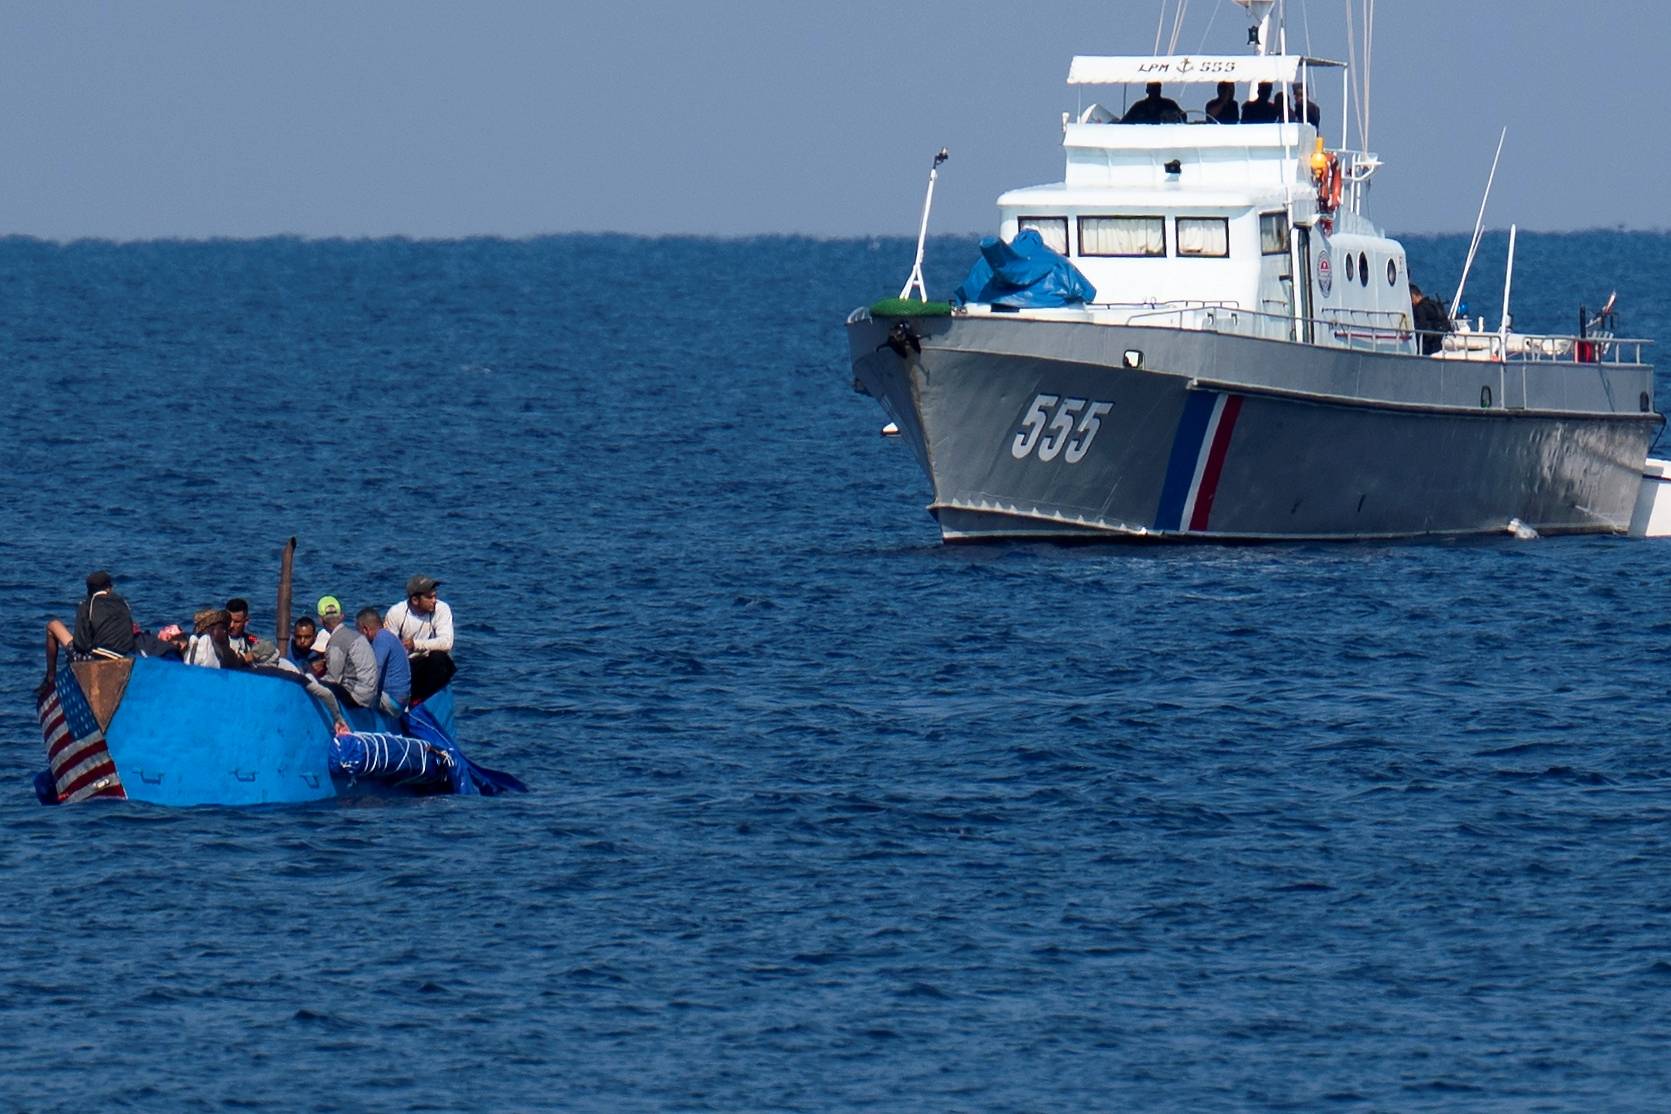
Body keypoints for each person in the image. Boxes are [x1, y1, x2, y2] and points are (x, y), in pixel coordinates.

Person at [40, 570, 139, 696]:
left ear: (89, 590)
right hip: (124, 656)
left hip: (97, 658)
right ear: (109, 588)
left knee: (53, 625)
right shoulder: (123, 603)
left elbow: (80, 645)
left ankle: (50, 678)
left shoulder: (87, 605)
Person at [384, 575, 456, 703]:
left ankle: (421, 700)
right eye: (429, 597)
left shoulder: (442, 609)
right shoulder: (396, 613)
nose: (434, 600)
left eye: (435, 596)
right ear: (415, 600)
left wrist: (415, 644)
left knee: (440, 659)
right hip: (407, 665)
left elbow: (446, 643)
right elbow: (388, 648)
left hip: (429, 662)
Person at [319, 595, 378, 710]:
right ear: (341, 616)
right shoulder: (356, 636)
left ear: (320, 620)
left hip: (356, 696)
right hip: (370, 696)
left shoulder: (336, 641)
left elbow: (333, 678)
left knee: (313, 684)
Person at [357, 606, 412, 718]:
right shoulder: (389, 637)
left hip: (393, 701)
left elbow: (374, 670)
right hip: (401, 699)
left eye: (359, 632)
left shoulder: (381, 639)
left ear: (365, 629)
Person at [1410, 284, 1453, 355]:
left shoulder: (1420, 309)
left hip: (1427, 345)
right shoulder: (1433, 304)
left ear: (1413, 296)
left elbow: (1421, 326)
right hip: (1438, 341)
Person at [1121, 82, 1185, 124]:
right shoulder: (1139, 106)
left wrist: (1171, 116)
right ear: (1147, 90)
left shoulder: (1169, 104)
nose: (1155, 91)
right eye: (1153, 88)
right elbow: (1124, 122)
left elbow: (1183, 117)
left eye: (1157, 88)